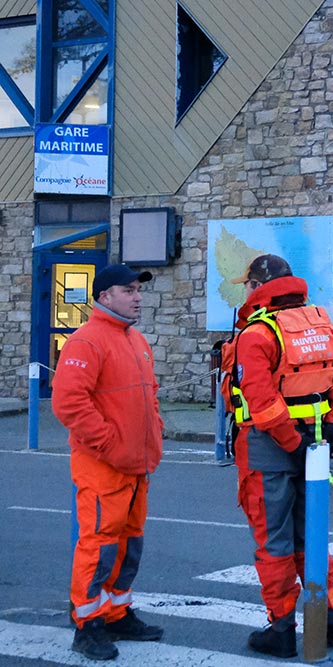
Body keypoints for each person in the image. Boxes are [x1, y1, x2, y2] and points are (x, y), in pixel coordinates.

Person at [230, 254, 333, 657]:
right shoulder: (323, 325)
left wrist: (290, 442)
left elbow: (261, 401)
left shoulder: (258, 333)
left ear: (256, 288)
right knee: (312, 534)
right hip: (318, 444)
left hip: (270, 448)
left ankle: (281, 628)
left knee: (275, 541)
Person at [53, 264, 164, 661]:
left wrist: (154, 440)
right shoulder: (87, 341)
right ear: (105, 297)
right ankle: (88, 626)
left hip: (135, 466)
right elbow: (68, 404)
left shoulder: (135, 340)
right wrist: (112, 445)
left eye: (138, 289)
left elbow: (148, 399)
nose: (137, 296)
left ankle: (116, 613)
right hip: (105, 466)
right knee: (99, 546)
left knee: (128, 544)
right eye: (129, 290)